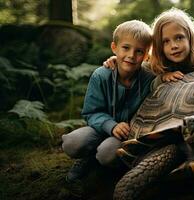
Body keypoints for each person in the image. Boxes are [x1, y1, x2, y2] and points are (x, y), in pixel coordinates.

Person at [62, 20, 155, 182]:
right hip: (99, 128)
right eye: (126, 48)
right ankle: (87, 158)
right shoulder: (101, 76)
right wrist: (110, 125)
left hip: (126, 135)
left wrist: (167, 75)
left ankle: (103, 166)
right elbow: (91, 112)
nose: (131, 55)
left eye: (139, 51)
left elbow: (166, 69)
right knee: (72, 143)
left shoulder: (149, 78)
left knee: (107, 154)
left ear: (146, 55)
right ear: (114, 48)